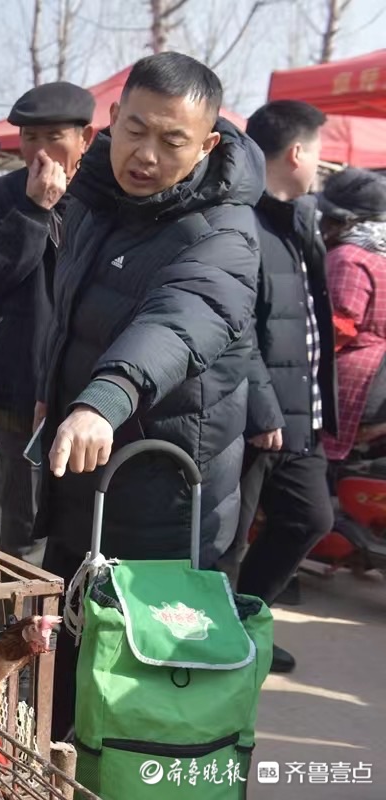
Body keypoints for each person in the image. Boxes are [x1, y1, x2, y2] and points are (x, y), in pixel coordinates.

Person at [35, 53, 263, 741]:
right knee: (61, 661)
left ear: (208, 145)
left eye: (173, 141)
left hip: (164, 486)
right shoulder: (96, 198)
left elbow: (181, 318)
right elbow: (74, 309)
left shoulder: (224, 230)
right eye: (136, 130)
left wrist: (103, 396)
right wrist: (57, 394)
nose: (147, 154)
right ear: (113, 120)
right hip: (87, 473)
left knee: (140, 690)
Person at [219, 101, 335, 675]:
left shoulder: (295, 221)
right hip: (257, 416)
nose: (320, 162)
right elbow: (237, 329)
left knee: (310, 517)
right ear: (295, 153)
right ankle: (219, 645)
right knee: (229, 541)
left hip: (297, 414)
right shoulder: (244, 220)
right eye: (317, 150)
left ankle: (247, 618)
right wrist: (265, 408)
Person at [0, 82, 95, 559]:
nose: (39, 151)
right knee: (26, 520)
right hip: (22, 380)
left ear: (86, 138)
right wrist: (33, 212)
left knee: (92, 517)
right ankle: (19, 628)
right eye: (29, 137)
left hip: (94, 382)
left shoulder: (108, 198)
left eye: (53, 136)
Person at [319, 169, 386, 460]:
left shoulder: (347, 257)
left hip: (354, 383)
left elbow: (341, 326)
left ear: (346, 220)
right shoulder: (379, 252)